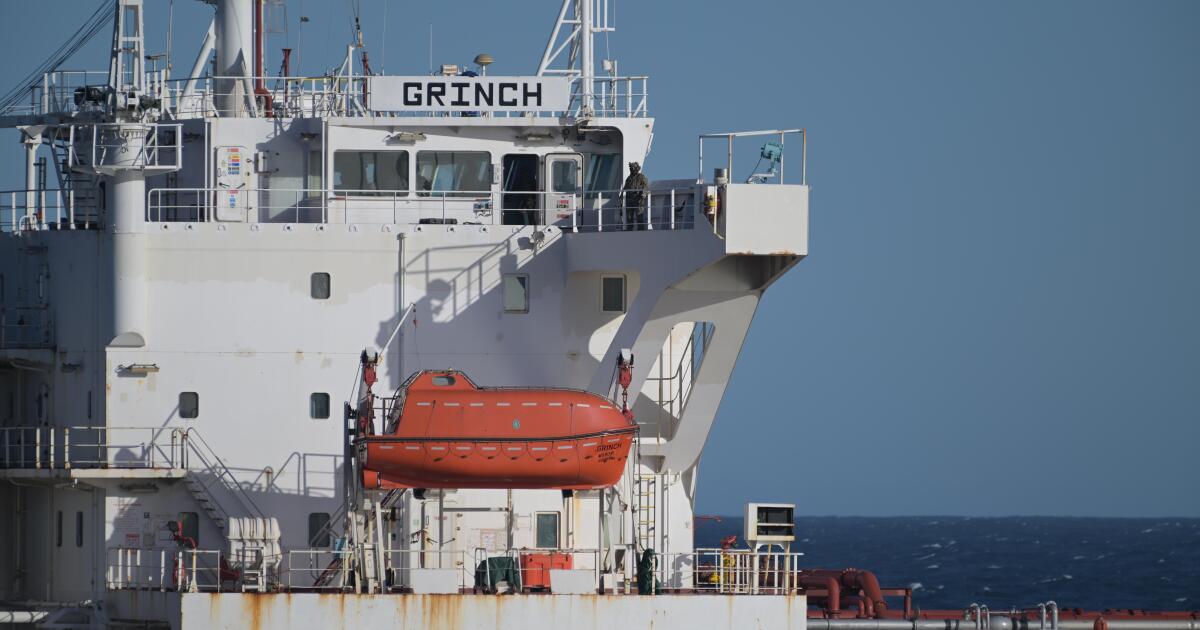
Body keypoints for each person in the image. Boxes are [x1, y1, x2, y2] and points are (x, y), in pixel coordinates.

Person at [622, 162, 649, 230]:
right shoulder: (629, 178)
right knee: (629, 217)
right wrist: (621, 196)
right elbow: (625, 188)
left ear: (636, 168)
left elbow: (646, 186)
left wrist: (644, 193)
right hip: (629, 199)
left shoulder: (641, 177)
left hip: (638, 199)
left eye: (633, 168)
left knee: (639, 216)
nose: (631, 169)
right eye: (631, 168)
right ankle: (629, 230)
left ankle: (641, 230)